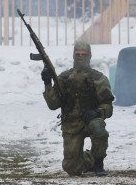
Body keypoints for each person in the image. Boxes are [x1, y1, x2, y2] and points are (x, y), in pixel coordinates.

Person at [42, 40, 114, 176]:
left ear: (89, 56)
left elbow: (108, 106)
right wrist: (47, 83)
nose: (80, 57)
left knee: (98, 127)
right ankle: (90, 159)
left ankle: (99, 163)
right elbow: (53, 105)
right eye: (77, 54)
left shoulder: (98, 79)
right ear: (73, 55)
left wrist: (97, 112)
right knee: (71, 168)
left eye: (84, 54)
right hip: (71, 125)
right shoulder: (63, 78)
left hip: (90, 121)